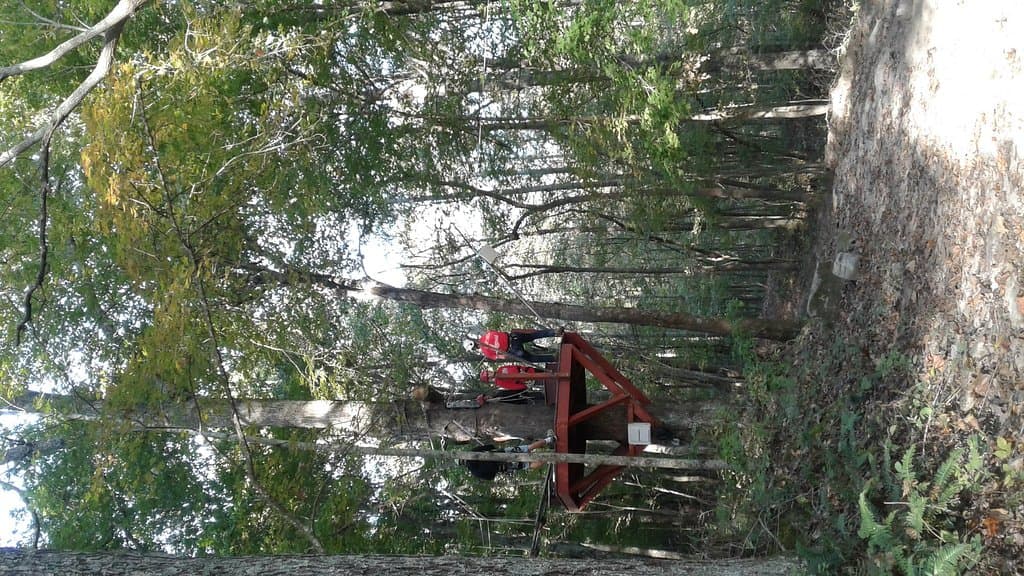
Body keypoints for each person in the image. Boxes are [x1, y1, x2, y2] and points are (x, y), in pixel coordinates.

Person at [463, 434, 556, 481]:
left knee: (528, 465)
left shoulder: (475, 473)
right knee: (526, 448)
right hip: (502, 454)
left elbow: (490, 477)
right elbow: (488, 447)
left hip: (504, 467)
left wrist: (494, 469)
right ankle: (548, 440)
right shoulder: (473, 453)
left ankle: (549, 458)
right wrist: (492, 450)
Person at [468, 327, 563, 363]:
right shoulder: (488, 334)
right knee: (533, 335)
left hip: (513, 348)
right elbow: (499, 333)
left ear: (475, 348)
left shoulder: (486, 352)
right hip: (514, 336)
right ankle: (554, 332)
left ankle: (553, 357)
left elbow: (502, 357)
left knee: (530, 358)